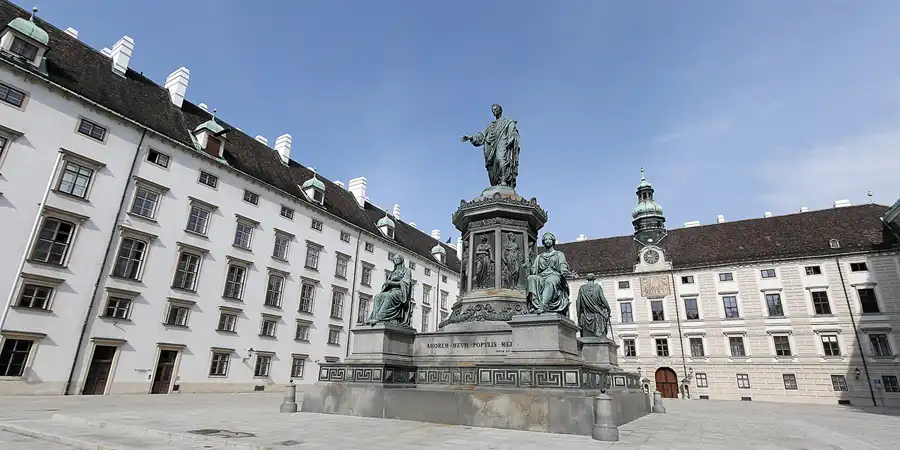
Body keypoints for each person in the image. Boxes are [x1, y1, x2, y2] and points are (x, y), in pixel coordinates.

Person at [460, 104, 521, 188]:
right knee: (494, 166)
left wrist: (512, 137)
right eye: (493, 110)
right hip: (491, 149)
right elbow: (482, 135)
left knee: (501, 159)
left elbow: (513, 131)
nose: (494, 111)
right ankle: (497, 182)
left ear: (500, 110)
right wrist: (471, 137)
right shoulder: (491, 126)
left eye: (496, 109)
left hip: (503, 144)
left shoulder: (507, 121)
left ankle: (503, 180)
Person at [526, 232, 571, 314]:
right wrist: (527, 266)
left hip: (554, 275)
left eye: (549, 239)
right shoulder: (539, 256)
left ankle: (543, 306)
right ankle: (536, 305)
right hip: (541, 276)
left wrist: (563, 270)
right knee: (531, 278)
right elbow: (534, 270)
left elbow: (562, 264)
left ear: (553, 241)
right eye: (545, 239)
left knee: (550, 281)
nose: (547, 241)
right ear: (543, 242)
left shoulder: (559, 254)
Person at [366, 254, 412, 326]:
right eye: (394, 258)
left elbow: (406, 283)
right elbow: (388, 284)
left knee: (389, 297)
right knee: (378, 296)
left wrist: (392, 282)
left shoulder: (407, 271)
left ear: (401, 260)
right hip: (390, 290)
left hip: (400, 292)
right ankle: (374, 317)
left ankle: (379, 318)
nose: (396, 259)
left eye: (398, 258)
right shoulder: (392, 273)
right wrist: (387, 284)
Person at [576, 273, 611, 338]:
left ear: (587, 279)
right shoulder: (598, 287)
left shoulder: (582, 288)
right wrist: (608, 309)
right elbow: (603, 299)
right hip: (598, 313)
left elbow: (578, 302)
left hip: (586, 315)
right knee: (603, 315)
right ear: (594, 279)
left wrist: (578, 315)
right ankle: (599, 332)